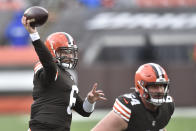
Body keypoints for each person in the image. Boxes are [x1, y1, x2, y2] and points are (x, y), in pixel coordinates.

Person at [21, 16, 106, 131]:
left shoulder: (68, 76)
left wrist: (90, 101)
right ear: (52, 52)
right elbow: (49, 65)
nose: (70, 56)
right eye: (65, 53)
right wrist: (35, 35)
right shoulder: (44, 67)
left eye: (71, 53)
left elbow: (85, 111)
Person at [92, 63, 174, 131]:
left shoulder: (167, 106)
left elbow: (158, 125)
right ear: (140, 86)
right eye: (154, 86)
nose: (159, 90)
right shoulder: (130, 108)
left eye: (162, 86)